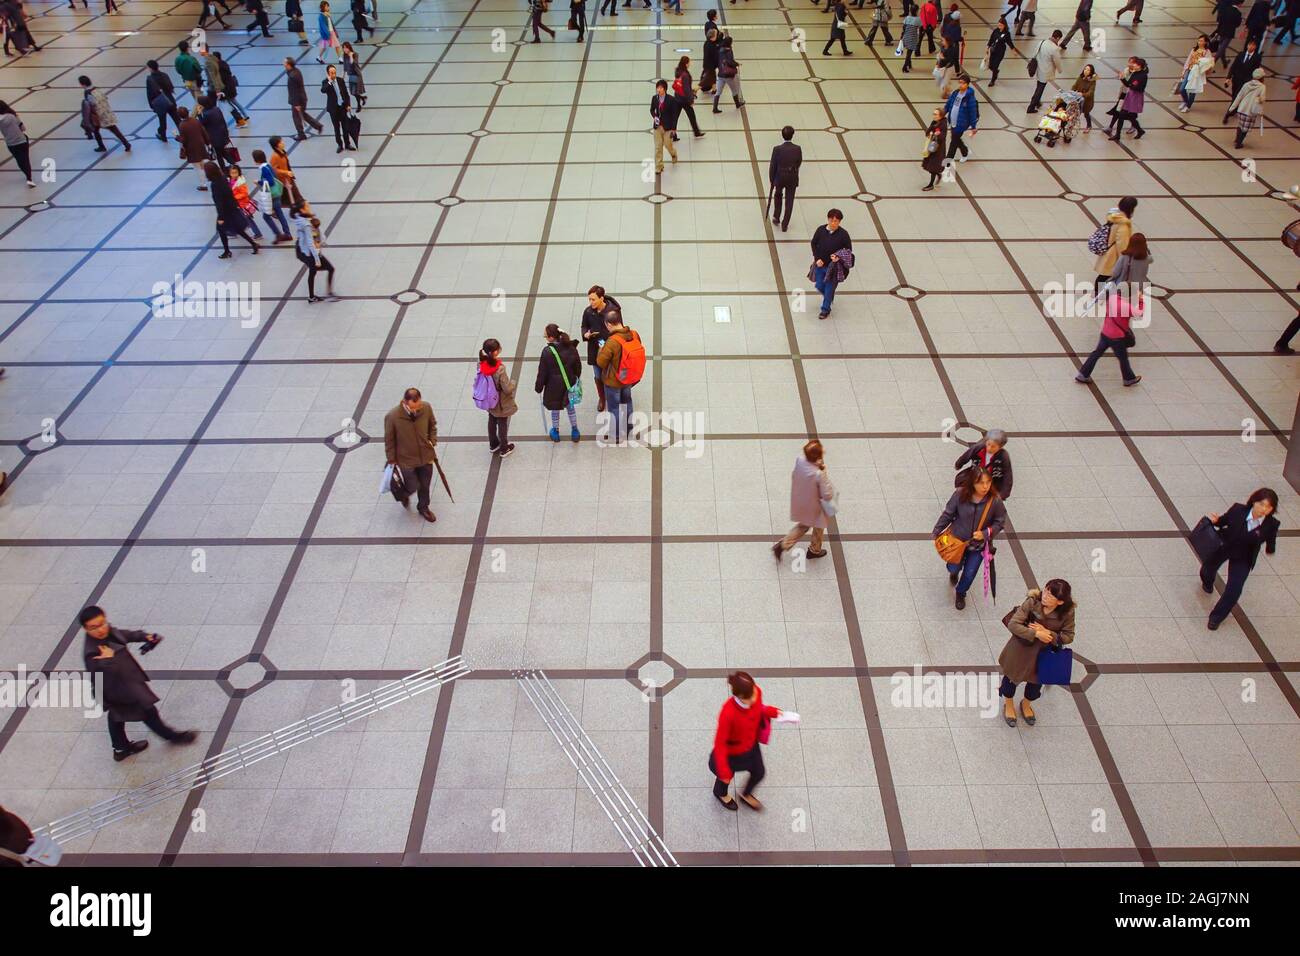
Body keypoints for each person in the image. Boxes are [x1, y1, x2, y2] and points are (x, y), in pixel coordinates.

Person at [80, 605, 198, 762]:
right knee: (148, 712)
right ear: (85, 629)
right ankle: (173, 737)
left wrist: (145, 637)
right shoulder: (92, 652)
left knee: (117, 717)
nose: (100, 629)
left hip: (126, 683)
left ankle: (120, 748)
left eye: (102, 623)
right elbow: (99, 673)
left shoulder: (109, 632)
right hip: (121, 691)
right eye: (94, 627)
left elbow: (125, 635)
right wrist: (108, 659)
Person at [998, 580, 1075, 726]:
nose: (1045, 596)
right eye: (1045, 590)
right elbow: (1014, 624)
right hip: (1020, 650)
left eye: (1050, 595)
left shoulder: (1067, 613)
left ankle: (1026, 704)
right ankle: (1008, 704)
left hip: (1043, 655)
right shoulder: (1032, 603)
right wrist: (1035, 634)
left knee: (1035, 686)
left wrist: (1049, 633)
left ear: (1060, 602)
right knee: (1010, 680)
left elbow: (1068, 636)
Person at [1200, 488, 1280, 630]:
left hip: (1244, 557)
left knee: (1234, 589)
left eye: (1268, 507)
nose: (1263, 509)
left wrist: (1270, 548)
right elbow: (1223, 521)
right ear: (1253, 501)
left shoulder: (1271, 524)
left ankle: (1216, 617)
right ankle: (1207, 582)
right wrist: (1217, 521)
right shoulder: (1238, 510)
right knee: (1207, 569)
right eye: (1261, 504)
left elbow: (1271, 539)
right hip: (1225, 545)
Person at [932, 465, 1006, 609]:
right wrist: (937, 531)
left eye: (988, 482)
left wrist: (985, 534)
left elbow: (1000, 522)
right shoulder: (960, 494)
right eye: (981, 483)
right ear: (972, 483)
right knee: (953, 566)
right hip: (957, 541)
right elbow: (948, 513)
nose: (985, 487)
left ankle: (961, 592)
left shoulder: (994, 501)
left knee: (970, 572)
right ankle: (954, 573)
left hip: (978, 545)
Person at [709, 671, 784, 811]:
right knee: (724, 778)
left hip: (750, 745)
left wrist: (773, 712)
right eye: (749, 698)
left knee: (759, 772)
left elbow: (760, 709)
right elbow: (720, 744)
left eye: (755, 693)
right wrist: (724, 771)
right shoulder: (728, 713)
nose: (754, 699)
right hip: (732, 753)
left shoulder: (756, 692)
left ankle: (746, 794)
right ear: (738, 697)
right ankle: (720, 793)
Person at [772, 439, 834, 561]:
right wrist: (823, 472)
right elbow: (827, 495)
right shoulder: (818, 473)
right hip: (815, 505)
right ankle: (814, 550)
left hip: (801, 500)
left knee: (804, 525)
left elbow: (794, 475)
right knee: (818, 524)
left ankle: (783, 545)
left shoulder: (800, 460)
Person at [383, 386, 439, 522]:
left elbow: (432, 425)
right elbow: (389, 440)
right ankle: (403, 495)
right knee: (412, 485)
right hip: (405, 459)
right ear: (405, 402)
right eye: (414, 407)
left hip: (425, 456)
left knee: (425, 485)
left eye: (418, 406)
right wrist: (391, 459)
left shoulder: (426, 407)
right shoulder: (392, 417)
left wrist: (432, 440)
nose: (417, 410)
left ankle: (423, 507)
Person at [1074, 282, 1142, 386]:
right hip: (1117, 337)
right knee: (1123, 358)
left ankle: (1083, 374)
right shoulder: (1126, 306)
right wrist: (1141, 300)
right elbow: (1139, 314)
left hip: (1105, 332)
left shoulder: (1112, 298)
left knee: (1096, 353)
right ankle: (1128, 379)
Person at [595, 309, 642, 443]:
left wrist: (601, 349)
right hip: (628, 376)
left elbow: (601, 362)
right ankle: (629, 428)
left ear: (609, 324)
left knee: (614, 407)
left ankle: (615, 435)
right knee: (627, 401)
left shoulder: (612, 341)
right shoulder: (634, 334)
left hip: (614, 380)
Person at [535, 323, 583, 442]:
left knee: (555, 409)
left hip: (553, 387)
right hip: (569, 384)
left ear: (551, 338)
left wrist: (539, 387)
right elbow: (578, 366)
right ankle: (575, 430)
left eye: (546, 336)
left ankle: (555, 431)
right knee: (570, 407)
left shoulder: (547, 352)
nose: (546, 338)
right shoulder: (571, 347)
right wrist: (574, 378)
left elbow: (542, 372)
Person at [207, 161, 260, 258]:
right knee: (238, 229)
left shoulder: (215, 184)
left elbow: (219, 202)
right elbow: (229, 194)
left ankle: (227, 251)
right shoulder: (223, 178)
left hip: (224, 211)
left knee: (221, 230)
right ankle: (253, 244)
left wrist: (221, 217)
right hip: (232, 208)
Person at [581, 285, 619, 412]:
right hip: (594, 349)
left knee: (612, 375)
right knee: (598, 376)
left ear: (601, 298)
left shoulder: (612, 312)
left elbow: (619, 329)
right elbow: (584, 326)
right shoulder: (588, 312)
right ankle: (602, 398)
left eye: (593, 299)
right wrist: (585, 334)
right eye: (589, 300)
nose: (591, 302)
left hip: (610, 349)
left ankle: (613, 398)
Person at [478, 338, 519, 457]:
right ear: (495, 352)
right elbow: (506, 388)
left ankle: (493, 444)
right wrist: (513, 383)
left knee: (491, 419)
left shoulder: (481, 363)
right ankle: (504, 448)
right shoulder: (500, 368)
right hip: (499, 400)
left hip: (488, 398)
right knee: (502, 422)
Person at [811, 208, 852, 319]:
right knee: (819, 285)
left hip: (834, 268)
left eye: (836, 221)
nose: (834, 223)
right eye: (832, 220)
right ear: (828, 219)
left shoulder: (843, 234)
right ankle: (828, 297)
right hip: (820, 265)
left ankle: (825, 309)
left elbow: (848, 250)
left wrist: (838, 257)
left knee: (829, 289)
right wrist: (817, 258)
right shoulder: (820, 230)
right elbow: (814, 243)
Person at [292, 201, 335, 300]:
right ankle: (327, 294)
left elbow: (319, 234)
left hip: (303, 251)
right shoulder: (306, 224)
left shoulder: (303, 217)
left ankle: (312, 297)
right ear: (302, 209)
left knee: (313, 271)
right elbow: (310, 243)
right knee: (329, 269)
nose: (309, 207)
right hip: (307, 253)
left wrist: (320, 242)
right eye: (307, 206)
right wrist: (317, 259)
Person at [954, 428, 1012, 499]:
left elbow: (1007, 475)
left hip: (991, 481)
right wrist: (959, 464)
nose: (989, 448)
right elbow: (967, 455)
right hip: (975, 477)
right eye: (988, 444)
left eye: (993, 446)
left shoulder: (1003, 456)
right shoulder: (979, 448)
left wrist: (1004, 494)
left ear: (1000, 447)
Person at [78, 76, 130, 153]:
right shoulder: (97, 89)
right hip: (106, 112)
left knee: (96, 131)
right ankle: (126, 144)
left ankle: (101, 146)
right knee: (114, 129)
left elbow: (90, 105)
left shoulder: (87, 93)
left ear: (83, 84)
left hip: (98, 115)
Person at [251, 148, 292, 242]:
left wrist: (259, 182)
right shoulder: (268, 166)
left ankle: (278, 234)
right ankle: (287, 233)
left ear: (256, 160)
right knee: (279, 214)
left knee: (266, 216)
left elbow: (270, 182)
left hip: (271, 196)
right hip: (276, 193)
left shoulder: (264, 169)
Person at [769, 125, 801, 232]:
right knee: (789, 200)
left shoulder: (777, 149)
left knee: (778, 195)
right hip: (792, 177)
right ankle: (785, 223)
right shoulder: (797, 148)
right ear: (792, 135)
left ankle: (776, 216)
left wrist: (772, 179)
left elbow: (773, 165)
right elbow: (799, 162)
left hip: (780, 176)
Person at [285, 57, 325, 140]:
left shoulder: (293, 76)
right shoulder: (296, 71)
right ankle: (318, 126)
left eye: (285, 62)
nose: (283, 64)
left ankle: (301, 134)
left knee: (296, 117)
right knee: (302, 114)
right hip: (302, 98)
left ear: (288, 65)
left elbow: (294, 91)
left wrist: (296, 104)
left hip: (298, 100)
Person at [321, 63, 357, 152]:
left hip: (342, 108)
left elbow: (345, 93)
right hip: (333, 109)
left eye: (334, 72)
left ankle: (347, 143)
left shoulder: (340, 80)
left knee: (345, 127)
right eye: (331, 73)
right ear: (328, 73)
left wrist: (348, 104)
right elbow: (323, 90)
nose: (333, 74)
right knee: (336, 128)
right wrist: (329, 82)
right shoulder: (325, 82)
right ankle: (340, 145)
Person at [944, 73, 979, 163]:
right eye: (959, 82)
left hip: (961, 123)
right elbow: (949, 104)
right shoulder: (955, 93)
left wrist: (974, 127)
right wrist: (943, 113)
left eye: (963, 83)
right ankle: (965, 151)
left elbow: (973, 113)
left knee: (954, 142)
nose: (960, 85)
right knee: (955, 139)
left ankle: (947, 161)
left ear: (967, 84)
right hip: (953, 121)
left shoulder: (970, 98)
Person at [1109, 57, 1147, 140]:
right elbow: (1128, 84)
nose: (1133, 65)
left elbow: (1138, 87)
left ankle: (1139, 130)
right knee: (1123, 115)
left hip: (1136, 97)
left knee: (1130, 116)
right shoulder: (1134, 73)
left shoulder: (1143, 76)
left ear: (1139, 66)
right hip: (1130, 95)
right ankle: (1118, 134)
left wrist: (1132, 86)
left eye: (1135, 64)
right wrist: (1122, 78)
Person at [1228, 68, 1266, 149]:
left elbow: (1239, 96)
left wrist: (1232, 107)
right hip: (1251, 111)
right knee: (1245, 129)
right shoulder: (1262, 87)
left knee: (1240, 125)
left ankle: (1237, 139)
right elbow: (1262, 99)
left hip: (1241, 108)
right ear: (1262, 78)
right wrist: (1258, 99)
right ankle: (1239, 143)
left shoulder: (1246, 84)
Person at [1026, 31, 1063, 113]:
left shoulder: (1042, 42)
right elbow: (1057, 61)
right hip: (1046, 71)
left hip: (1038, 68)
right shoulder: (1054, 48)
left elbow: (1035, 52)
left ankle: (1037, 102)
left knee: (1039, 85)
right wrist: (1060, 70)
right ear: (1057, 38)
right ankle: (1031, 107)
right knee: (1040, 88)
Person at [144, 60, 181, 142]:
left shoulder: (150, 79)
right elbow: (171, 87)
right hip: (170, 100)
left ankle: (163, 135)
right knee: (177, 119)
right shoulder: (165, 75)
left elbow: (149, 93)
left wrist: (151, 105)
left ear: (150, 68)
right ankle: (184, 133)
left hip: (160, 102)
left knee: (162, 120)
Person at [0, 100, 35, 187]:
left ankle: (27, 175)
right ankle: (29, 178)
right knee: (25, 159)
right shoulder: (13, 115)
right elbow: (23, 128)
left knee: (20, 161)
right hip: (22, 140)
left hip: (11, 143)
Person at [1224, 39, 1263, 115]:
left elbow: (1256, 70)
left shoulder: (1257, 57)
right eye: (1249, 44)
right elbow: (1233, 66)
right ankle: (1235, 107)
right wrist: (1228, 77)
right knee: (1234, 94)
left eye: (1253, 45)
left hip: (1246, 80)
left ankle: (1229, 112)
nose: (1250, 46)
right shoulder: (1241, 54)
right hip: (1236, 79)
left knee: (1237, 95)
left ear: (1255, 47)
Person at [212, 50, 250, 127]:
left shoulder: (219, 67)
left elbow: (221, 80)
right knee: (234, 102)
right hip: (231, 86)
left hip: (227, 89)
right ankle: (245, 115)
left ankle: (240, 120)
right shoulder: (224, 63)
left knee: (229, 105)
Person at [650, 79, 680, 174]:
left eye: (660, 88)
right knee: (658, 147)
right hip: (657, 127)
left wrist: (674, 128)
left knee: (668, 145)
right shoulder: (655, 98)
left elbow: (675, 115)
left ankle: (673, 154)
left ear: (665, 89)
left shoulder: (671, 100)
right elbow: (651, 110)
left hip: (668, 127)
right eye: (657, 88)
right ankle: (659, 166)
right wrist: (655, 117)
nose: (658, 90)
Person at [178, 106, 211, 190]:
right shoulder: (195, 121)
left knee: (198, 167)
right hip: (200, 145)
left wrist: (177, 137)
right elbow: (203, 132)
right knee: (203, 164)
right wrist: (208, 143)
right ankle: (209, 177)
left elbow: (183, 140)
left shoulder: (182, 125)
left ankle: (203, 184)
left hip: (192, 149)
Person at [228, 164, 264, 240]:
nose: (234, 174)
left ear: (239, 173)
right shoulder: (232, 181)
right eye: (232, 173)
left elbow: (244, 193)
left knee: (248, 220)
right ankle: (234, 232)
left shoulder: (240, 183)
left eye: (235, 173)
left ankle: (257, 233)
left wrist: (234, 197)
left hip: (242, 205)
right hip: (238, 204)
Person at [1177, 35, 1214, 112]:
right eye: (1199, 40)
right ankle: (1186, 101)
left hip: (1197, 73)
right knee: (1182, 89)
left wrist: (1200, 63)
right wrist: (1184, 70)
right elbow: (1189, 60)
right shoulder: (1194, 49)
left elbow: (1209, 63)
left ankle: (1188, 106)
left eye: (1201, 41)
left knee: (1192, 90)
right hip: (1190, 70)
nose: (1199, 42)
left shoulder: (1207, 52)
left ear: (1205, 42)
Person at [271, 135, 306, 206]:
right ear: (276, 146)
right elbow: (274, 170)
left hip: (288, 178)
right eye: (280, 142)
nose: (283, 143)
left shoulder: (282, 152)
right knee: (292, 196)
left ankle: (300, 205)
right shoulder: (275, 156)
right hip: (284, 180)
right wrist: (286, 172)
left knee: (295, 196)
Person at [673, 56, 703, 138]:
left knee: (675, 117)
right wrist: (691, 100)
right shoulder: (685, 75)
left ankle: (673, 134)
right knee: (691, 116)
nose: (690, 64)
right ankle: (696, 132)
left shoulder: (678, 71)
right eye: (689, 62)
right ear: (686, 64)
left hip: (677, 97)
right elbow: (686, 89)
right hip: (684, 99)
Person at [198, 96, 231, 171]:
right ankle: (233, 163)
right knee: (223, 152)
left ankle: (223, 169)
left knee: (219, 154)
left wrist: (199, 114)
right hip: (223, 134)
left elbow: (202, 123)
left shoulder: (206, 113)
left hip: (215, 138)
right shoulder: (216, 109)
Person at [713, 35, 744, 111]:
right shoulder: (729, 51)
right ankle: (737, 104)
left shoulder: (720, 49)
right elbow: (730, 62)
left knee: (718, 91)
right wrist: (737, 64)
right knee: (734, 90)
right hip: (728, 75)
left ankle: (715, 108)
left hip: (721, 74)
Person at [921, 106, 947, 190]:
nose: (934, 115)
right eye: (934, 114)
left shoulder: (943, 125)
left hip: (938, 150)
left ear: (941, 116)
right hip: (931, 147)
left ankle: (931, 185)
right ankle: (938, 174)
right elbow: (928, 132)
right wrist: (932, 131)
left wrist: (937, 134)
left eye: (936, 114)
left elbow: (942, 137)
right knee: (930, 166)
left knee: (933, 167)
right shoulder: (934, 122)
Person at [984, 16, 1015, 85]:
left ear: (1004, 25)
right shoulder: (996, 31)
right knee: (990, 66)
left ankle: (993, 80)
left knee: (995, 66)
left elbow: (1009, 42)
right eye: (998, 25)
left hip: (1000, 52)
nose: (999, 26)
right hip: (993, 50)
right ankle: (996, 71)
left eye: (1001, 25)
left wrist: (1013, 50)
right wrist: (987, 47)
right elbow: (991, 39)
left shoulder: (1007, 33)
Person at [1214, 0, 1243, 66]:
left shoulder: (1225, 9)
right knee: (1222, 47)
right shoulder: (1238, 13)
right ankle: (1214, 60)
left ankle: (1224, 62)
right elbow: (1237, 24)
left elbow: (1220, 18)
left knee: (1221, 46)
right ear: (1240, 4)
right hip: (1229, 32)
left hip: (1222, 29)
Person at [342, 41, 367, 109]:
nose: (345, 49)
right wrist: (343, 76)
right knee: (353, 92)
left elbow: (353, 63)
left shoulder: (355, 54)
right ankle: (363, 98)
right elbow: (345, 66)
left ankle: (359, 105)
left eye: (346, 48)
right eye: (343, 48)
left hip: (356, 75)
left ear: (349, 48)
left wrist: (351, 56)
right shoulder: (344, 55)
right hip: (351, 75)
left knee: (355, 91)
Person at [1072, 64, 1097, 130]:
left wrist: (1082, 94)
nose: (1086, 71)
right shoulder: (1080, 77)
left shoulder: (1092, 81)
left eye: (1088, 70)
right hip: (1078, 99)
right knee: (1075, 113)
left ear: (1091, 72)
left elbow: (1091, 92)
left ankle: (1089, 126)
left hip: (1087, 102)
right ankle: (1071, 125)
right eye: (1085, 69)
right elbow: (1075, 86)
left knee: (1086, 114)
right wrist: (1072, 91)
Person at [900, 3, 923, 71]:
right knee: (909, 53)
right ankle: (905, 66)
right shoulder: (918, 19)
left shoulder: (907, 18)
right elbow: (921, 28)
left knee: (908, 51)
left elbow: (904, 27)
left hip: (906, 36)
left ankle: (909, 64)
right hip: (913, 38)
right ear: (916, 11)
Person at [701, 28, 719, 94]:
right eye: (716, 35)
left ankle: (714, 89)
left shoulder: (706, 43)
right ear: (713, 36)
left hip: (706, 64)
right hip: (710, 66)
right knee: (706, 79)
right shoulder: (712, 46)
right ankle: (696, 88)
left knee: (712, 78)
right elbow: (715, 56)